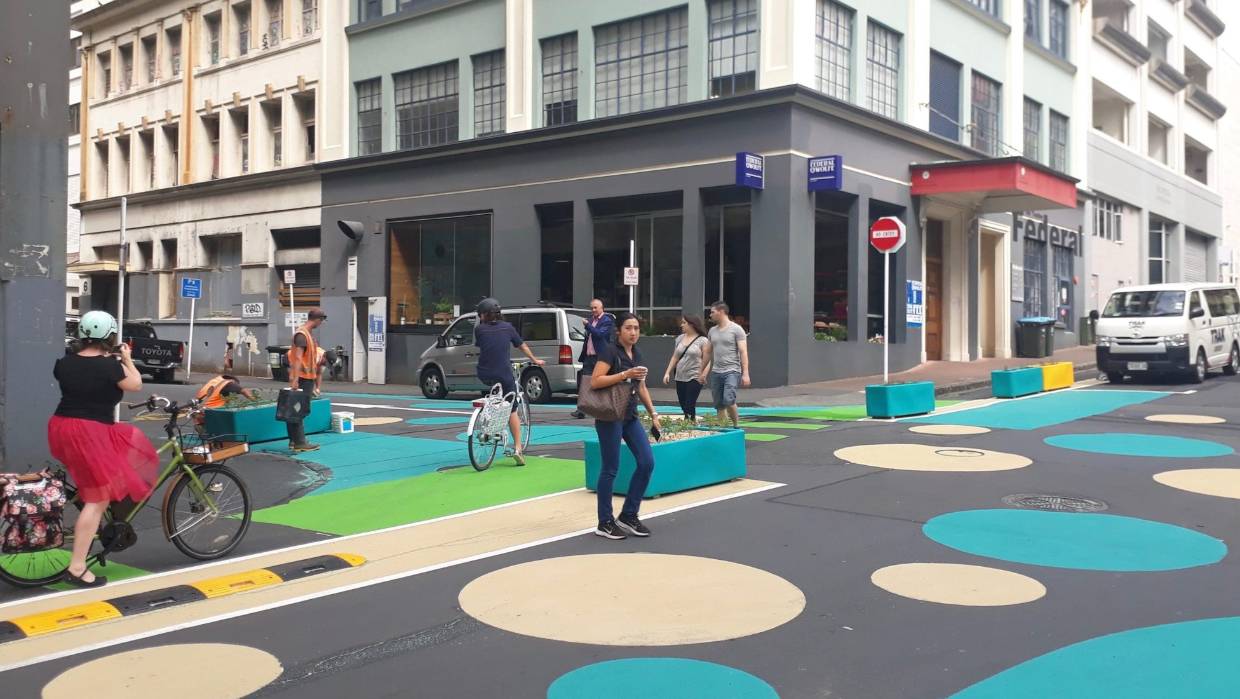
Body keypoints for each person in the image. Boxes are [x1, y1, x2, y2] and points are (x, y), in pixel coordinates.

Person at [47, 310, 158, 588]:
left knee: (99, 484)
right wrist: (128, 359)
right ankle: (77, 567)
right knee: (98, 497)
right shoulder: (111, 367)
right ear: (110, 336)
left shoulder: (64, 363)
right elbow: (136, 384)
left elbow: (83, 377)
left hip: (62, 426)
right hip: (92, 431)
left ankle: (98, 513)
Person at [591, 313, 662, 540]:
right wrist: (624, 374)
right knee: (610, 468)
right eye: (629, 328)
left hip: (630, 416)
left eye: (637, 328)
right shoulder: (609, 351)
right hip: (610, 416)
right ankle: (605, 522)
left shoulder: (637, 353)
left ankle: (629, 515)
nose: (633, 332)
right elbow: (595, 380)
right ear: (619, 331)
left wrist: (654, 414)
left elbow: (641, 387)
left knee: (647, 462)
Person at [473, 298, 545, 465]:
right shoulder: (508, 328)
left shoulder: (479, 330)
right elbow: (521, 345)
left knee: (494, 397)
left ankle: (488, 426)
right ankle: (518, 449)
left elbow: (488, 347)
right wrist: (534, 359)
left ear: (483, 315)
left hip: (484, 373)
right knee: (512, 409)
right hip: (504, 373)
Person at [700, 301, 750, 428]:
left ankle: (736, 425)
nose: (710, 315)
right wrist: (701, 372)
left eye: (712, 312)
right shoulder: (712, 331)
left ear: (721, 312)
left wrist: (745, 374)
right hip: (717, 371)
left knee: (728, 399)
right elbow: (707, 352)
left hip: (732, 371)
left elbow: (743, 352)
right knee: (719, 404)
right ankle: (723, 428)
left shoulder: (737, 329)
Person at [286, 308, 326, 452]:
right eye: (321, 321)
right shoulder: (302, 335)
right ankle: (300, 443)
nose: (321, 324)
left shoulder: (306, 334)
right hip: (303, 378)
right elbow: (297, 358)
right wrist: (295, 379)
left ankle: (294, 441)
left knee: (294, 409)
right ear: (318, 320)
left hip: (305, 377)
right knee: (299, 409)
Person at [662, 314, 711, 421]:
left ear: (692, 324)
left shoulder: (703, 340)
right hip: (680, 375)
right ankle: (689, 421)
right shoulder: (680, 338)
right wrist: (667, 372)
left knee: (690, 403)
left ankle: (690, 422)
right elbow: (675, 357)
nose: (681, 325)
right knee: (683, 403)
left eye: (684, 322)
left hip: (695, 376)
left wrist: (703, 374)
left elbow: (707, 361)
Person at [572, 299, 615, 419]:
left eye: (595, 308)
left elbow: (600, 334)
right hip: (589, 357)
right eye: (592, 308)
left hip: (600, 357)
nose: (593, 310)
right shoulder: (591, 321)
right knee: (584, 382)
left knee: (601, 382)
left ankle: (604, 407)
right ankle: (581, 410)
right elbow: (589, 337)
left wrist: (588, 326)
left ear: (602, 308)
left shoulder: (606, 321)